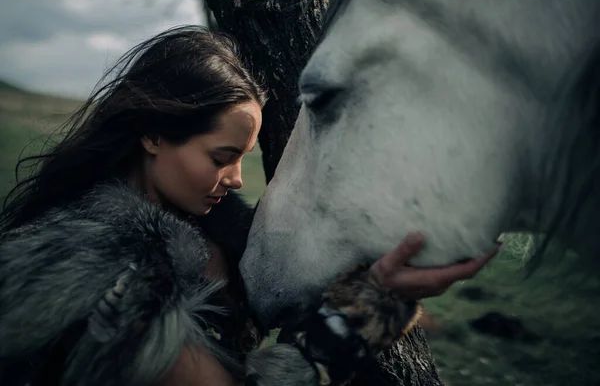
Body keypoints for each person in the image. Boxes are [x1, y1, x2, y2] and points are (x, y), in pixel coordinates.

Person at [0, 25, 496, 386]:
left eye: (243, 157)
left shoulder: (221, 229)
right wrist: (360, 320)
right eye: (221, 157)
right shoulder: (114, 279)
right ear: (152, 135)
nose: (237, 179)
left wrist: (379, 286)